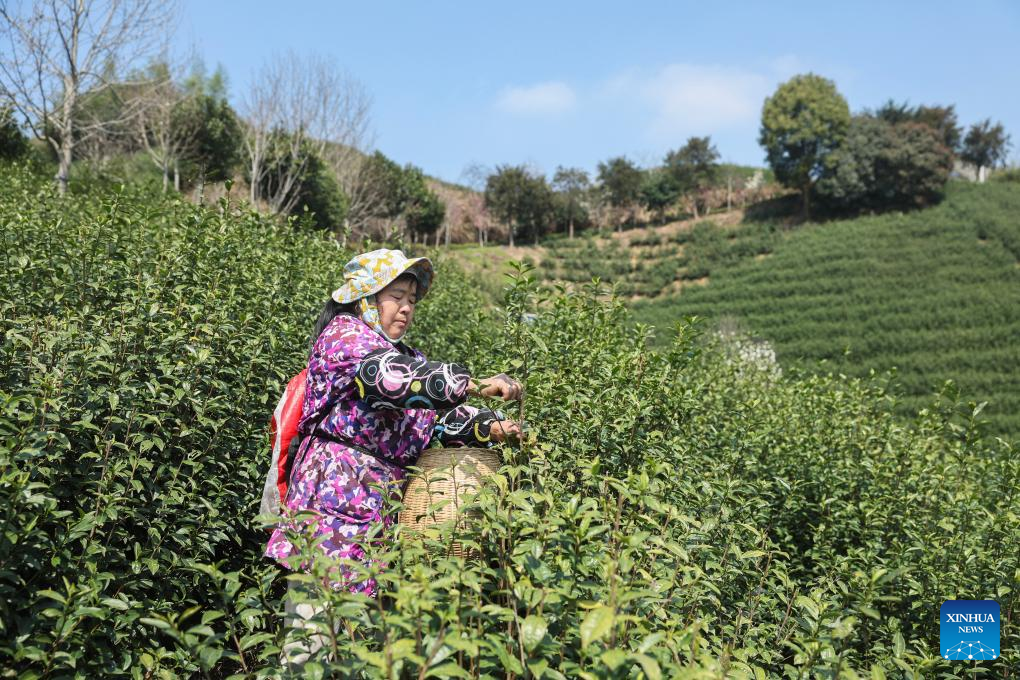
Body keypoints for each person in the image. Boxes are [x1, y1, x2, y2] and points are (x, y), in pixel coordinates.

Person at [265, 248, 523, 665]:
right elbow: (391, 380)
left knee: (362, 645)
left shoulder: (407, 357)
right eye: (396, 297)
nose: (406, 308)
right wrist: (475, 384)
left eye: (412, 300)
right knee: (313, 639)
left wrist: (491, 426)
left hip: (380, 510)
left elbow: (432, 419)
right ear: (365, 299)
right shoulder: (344, 338)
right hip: (331, 507)